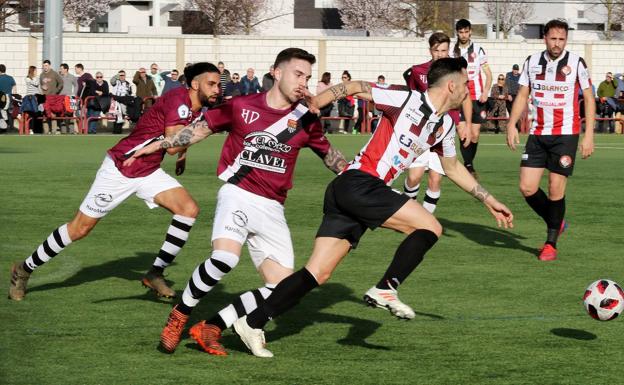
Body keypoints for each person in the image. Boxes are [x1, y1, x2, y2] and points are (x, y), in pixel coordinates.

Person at [229, 57, 514, 358]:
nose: (469, 91)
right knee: (430, 226)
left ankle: (252, 322)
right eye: (466, 85)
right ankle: (386, 288)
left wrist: (489, 200)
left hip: (352, 192)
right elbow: (356, 87)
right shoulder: (406, 99)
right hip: (359, 183)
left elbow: (453, 168)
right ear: (452, 85)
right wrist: (318, 102)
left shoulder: (443, 126)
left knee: (317, 273)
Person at [125, 48, 348, 356]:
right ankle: (180, 314)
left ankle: (212, 326)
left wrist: (362, 180)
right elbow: (199, 130)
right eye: (298, 74)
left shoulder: (306, 119)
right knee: (225, 258)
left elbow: (331, 156)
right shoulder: (242, 106)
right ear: (277, 72)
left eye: (308, 77)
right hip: (238, 193)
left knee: (283, 287)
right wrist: (161, 145)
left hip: (273, 206)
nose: (303, 82)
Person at [8, 62, 221, 302]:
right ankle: (24, 269)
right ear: (195, 84)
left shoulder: (195, 105)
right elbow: (173, 142)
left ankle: (155, 273)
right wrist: (198, 138)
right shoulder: (179, 101)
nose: (217, 89)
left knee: (188, 209)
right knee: (79, 229)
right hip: (122, 167)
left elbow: (178, 137)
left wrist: (183, 154)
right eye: (211, 84)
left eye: (218, 84)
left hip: (148, 170)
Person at [506, 19, 595, 261]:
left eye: (562, 39)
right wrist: (512, 124)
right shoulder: (532, 61)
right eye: (553, 38)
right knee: (527, 187)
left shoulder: (576, 62)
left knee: (555, 189)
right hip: (538, 133)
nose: (557, 44)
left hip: (566, 134)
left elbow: (588, 97)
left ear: (566, 40)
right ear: (545, 37)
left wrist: (588, 135)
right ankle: (557, 221)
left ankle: (550, 243)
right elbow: (523, 94)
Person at [401, 32, 472, 214]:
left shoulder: (456, 72)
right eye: (436, 50)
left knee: (435, 179)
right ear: (430, 50)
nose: (440, 54)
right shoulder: (417, 71)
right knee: (414, 177)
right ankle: (408, 212)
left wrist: (465, 123)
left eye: (444, 50)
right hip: (422, 131)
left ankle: (422, 220)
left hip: (443, 133)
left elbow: (465, 97)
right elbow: (411, 99)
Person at [451, 19, 492, 178]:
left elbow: (488, 74)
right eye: (460, 32)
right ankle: (468, 166)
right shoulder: (452, 52)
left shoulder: (479, 50)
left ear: (470, 32)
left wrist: (486, 91)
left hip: (477, 98)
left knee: (474, 134)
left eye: (466, 32)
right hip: (459, 98)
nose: (463, 35)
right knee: (462, 132)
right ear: (457, 32)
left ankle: (468, 162)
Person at [39, 59, 63, 134]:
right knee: (44, 114)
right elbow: (41, 84)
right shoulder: (42, 75)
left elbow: (61, 83)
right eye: (43, 66)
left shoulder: (54, 73)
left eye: (46, 65)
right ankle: (46, 131)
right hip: (44, 97)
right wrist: (43, 87)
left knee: (53, 114)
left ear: (49, 65)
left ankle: (54, 131)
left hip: (53, 97)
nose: (45, 67)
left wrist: (56, 91)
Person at [110, 70, 133, 134]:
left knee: (121, 116)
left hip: (123, 101)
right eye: (120, 75)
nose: (122, 76)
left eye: (123, 75)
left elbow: (130, 93)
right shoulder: (116, 82)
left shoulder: (128, 83)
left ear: (125, 75)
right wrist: (116, 76)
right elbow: (112, 81)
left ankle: (119, 130)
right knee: (115, 116)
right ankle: (115, 131)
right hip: (115, 101)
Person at [58, 63, 78, 134]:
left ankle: (71, 131)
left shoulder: (72, 77)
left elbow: (76, 85)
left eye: (61, 69)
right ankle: (63, 131)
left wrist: (74, 94)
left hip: (70, 98)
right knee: (62, 114)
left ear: (66, 69)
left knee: (70, 114)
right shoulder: (59, 77)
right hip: (61, 97)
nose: (60, 70)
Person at [0, 64, 17, 133]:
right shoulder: (10, 78)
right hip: (9, 98)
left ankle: (4, 129)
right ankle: (11, 129)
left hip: (2, 98)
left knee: (2, 113)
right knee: (9, 113)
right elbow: (15, 89)